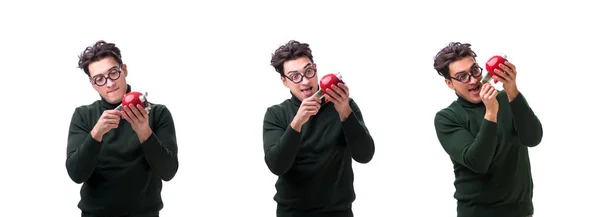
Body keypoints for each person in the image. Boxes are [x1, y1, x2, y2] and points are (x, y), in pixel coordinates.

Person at [262, 40, 376, 217]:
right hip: (293, 213)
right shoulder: (276, 114)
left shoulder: (344, 104)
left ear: (315, 68)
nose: (305, 81)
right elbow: (276, 165)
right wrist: (297, 122)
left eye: (308, 71)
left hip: (339, 212)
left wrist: (345, 112)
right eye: (295, 76)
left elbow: (364, 155)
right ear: (284, 81)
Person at [66, 40, 179, 217]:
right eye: (100, 79)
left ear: (124, 70)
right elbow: (76, 174)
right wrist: (96, 134)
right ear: (93, 84)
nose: (109, 83)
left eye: (113, 72)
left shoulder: (157, 113)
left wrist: (144, 132)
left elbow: (168, 171)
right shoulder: (83, 115)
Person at [432, 42, 543, 217]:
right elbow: (478, 162)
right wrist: (491, 112)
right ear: (449, 84)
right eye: (462, 77)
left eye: (475, 70)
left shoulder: (506, 99)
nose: (474, 80)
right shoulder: (447, 117)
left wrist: (512, 91)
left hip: (521, 212)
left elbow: (533, 138)